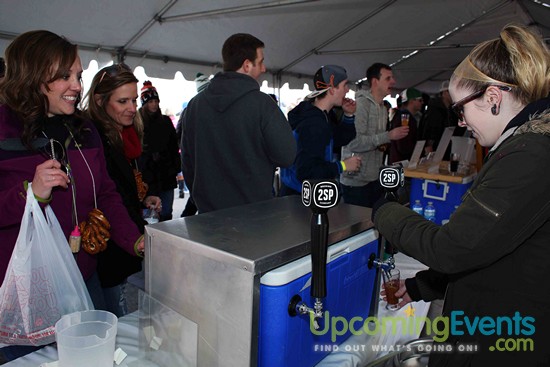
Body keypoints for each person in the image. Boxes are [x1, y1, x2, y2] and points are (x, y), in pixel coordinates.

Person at [373, 24, 550, 366]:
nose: (463, 122)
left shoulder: (530, 154)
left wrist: (385, 211)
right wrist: (422, 286)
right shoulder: (526, 147)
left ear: (493, 98)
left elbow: (452, 249)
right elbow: (492, 245)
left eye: (461, 109)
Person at [0, 30, 144, 361]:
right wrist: (30, 194)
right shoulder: (3, 130)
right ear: (33, 76)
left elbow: (106, 194)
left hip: (82, 275)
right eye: (64, 76)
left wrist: (134, 240)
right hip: (28, 289)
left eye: (78, 75)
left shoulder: (84, 129)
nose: (77, 86)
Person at [181, 33, 296, 213]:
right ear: (247, 65)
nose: (264, 68)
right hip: (255, 216)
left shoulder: (195, 105)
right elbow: (287, 156)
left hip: (209, 218)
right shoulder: (262, 104)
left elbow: (187, 163)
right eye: (261, 61)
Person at [83, 63, 161, 316]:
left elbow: (124, 186)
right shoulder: (91, 139)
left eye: (134, 100)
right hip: (105, 249)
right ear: (100, 101)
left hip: (124, 240)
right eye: (123, 101)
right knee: (111, 314)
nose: (132, 108)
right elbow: (106, 195)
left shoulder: (125, 134)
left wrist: (144, 196)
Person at [279, 65, 361, 195]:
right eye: (344, 85)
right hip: (299, 198)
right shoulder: (313, 123)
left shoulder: (322, 115)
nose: (347, 90)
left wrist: (349, 115)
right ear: (333, 89)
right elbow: (307, 171)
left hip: (302, 193)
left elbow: (339, 139)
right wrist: (343, 166)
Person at [340, 63, 408, 207]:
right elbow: (354, 143)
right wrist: (388, 136)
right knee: (360, 227)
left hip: (374, 177)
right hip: (356, 181)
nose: (393, 82)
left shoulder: (383, 108)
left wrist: (383, 144)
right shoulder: (361, 105)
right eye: (388, 78)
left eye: (392, 78)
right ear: (375, 81)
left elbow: (374, 140)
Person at [138, 81, 181, 221]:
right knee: (149, 213)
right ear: (145, 103)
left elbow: (174, 146)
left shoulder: (165, 121)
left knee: (166, 212)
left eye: (156, 101)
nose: (154, 104)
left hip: (166, 173)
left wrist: (175, 167)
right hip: (147, 176)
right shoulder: (137, 122)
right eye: (150, 101)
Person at [419, 80, 461, 153]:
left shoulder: (451, 110)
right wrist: (429, 145)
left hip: (447, 147)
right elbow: (429, 128)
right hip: (436, 148)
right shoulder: (434, 108)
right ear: (444, 93)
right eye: (451, 92)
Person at [388, 87, 423, 164]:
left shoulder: (403, 116)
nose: (422, 103)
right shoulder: (405, 117)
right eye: (420, 100)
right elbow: (402, 144)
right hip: (402, 163)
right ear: (411, 101)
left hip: (400, 161)